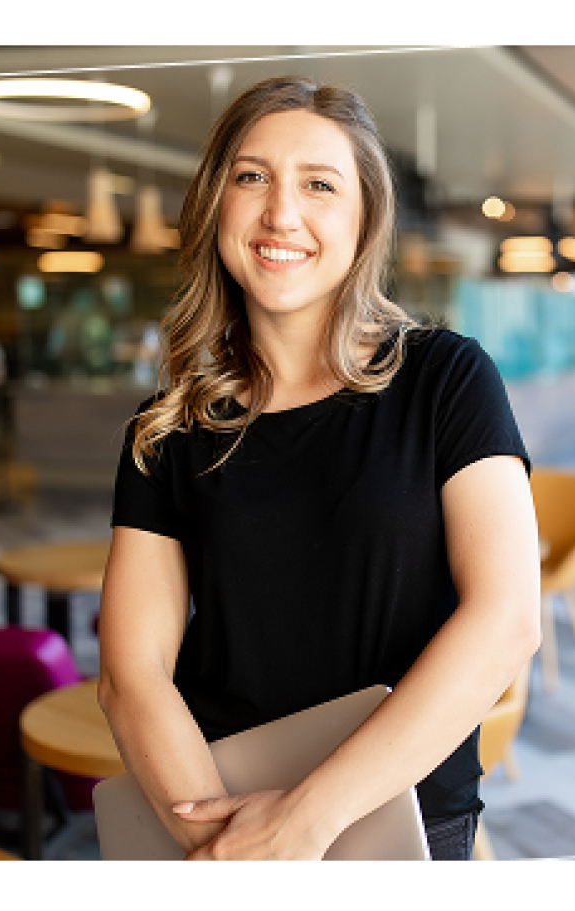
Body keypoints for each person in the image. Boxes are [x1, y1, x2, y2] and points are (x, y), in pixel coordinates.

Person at [96, 76, 541, 863]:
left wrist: (304, 820)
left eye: (319, 185)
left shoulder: (446, 379)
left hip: (399, 816)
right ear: (215, 205)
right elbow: (131, 674)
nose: (281, 214)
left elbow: (505, 622)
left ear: (365, 218)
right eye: (252, 176)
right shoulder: (169, 427)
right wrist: (226, 841)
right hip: (214, 810)